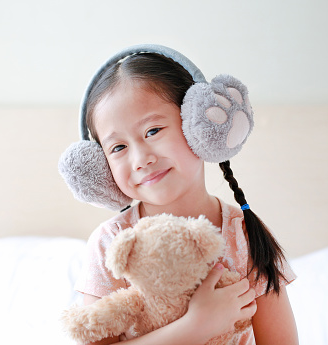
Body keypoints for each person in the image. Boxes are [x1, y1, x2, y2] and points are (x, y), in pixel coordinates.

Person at [59, 45, 298, 345]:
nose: (141, 159)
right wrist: (196, 326)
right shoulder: (112, 244)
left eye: (153, 130)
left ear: (199, 124)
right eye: (118, 148)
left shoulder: (244, 235)